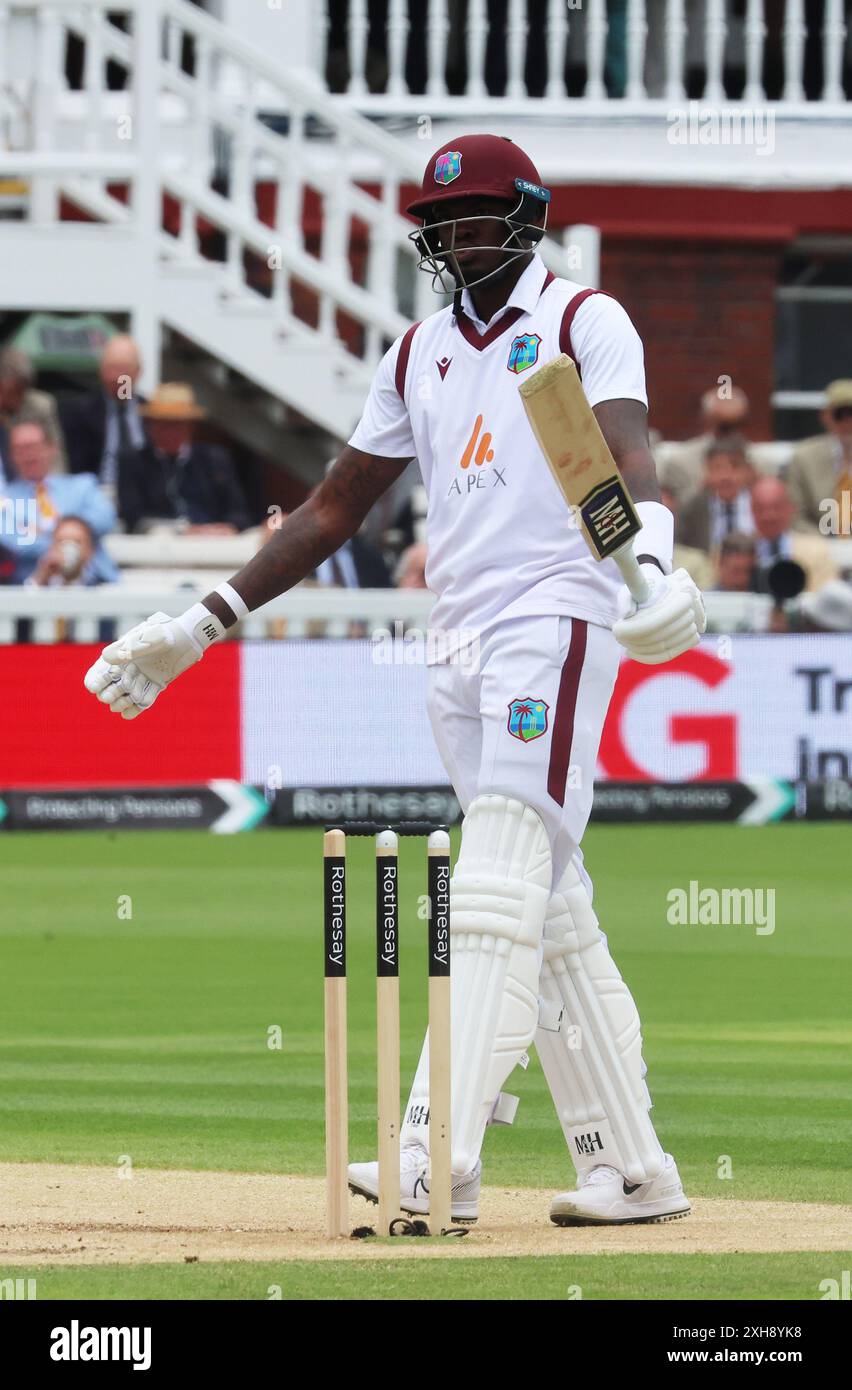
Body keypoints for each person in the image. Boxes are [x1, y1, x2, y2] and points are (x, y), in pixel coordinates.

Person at [84, 134, 704, 1228]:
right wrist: (202, 621)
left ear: (529, 217)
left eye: (483, 218)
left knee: (500, 884)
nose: (464, 238)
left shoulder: (581, 321)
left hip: (555, 621)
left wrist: (650, 565)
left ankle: (437, 1149)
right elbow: (334, 507)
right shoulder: (417, 352)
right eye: (446, 221)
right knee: (547, 908)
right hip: (456, 645)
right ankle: (636, 1169)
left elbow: (625, 457)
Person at [118, 383, 249, 534]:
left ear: (189, 427)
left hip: (213, 544)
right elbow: (133, 517)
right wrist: (182, 530)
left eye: (177, 424)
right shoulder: (134, 462)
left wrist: (227, 527)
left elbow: (239, 513)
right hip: (158, 547)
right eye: (163, 424)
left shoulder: (214, 459)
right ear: (151, 426)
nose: (170, 432)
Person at [1, 418, 118, 584]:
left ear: (52, 448)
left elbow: (105, 519)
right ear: (11, 456)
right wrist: (73, 541)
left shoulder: (82, 486)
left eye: (33, 446)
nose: (28, 454)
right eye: (20, 449)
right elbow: (13, 541)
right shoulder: (5, 498)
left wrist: (53, 531)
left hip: (93, 583)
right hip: (33, 591)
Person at [61, 333, 148, 486]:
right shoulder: (80, 413)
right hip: (98, 492)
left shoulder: (151, 412)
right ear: (101, 371)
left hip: (144, 495)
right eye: (112, 369)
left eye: (124, 369)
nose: (117, 377)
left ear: (138, 372)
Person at [659, 384, 750, 508]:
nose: (731, 434)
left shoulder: (759, 462)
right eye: (724, 427)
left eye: (736, 424)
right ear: (707, 420)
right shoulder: (680, 462)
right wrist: (704, 488)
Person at [786, 379, 852, 535]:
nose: (848, 422)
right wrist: (824, 545)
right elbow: (795, 514)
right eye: (840, 414)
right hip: (820, 547)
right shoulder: (804, 458)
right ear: (825, 416)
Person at [750, 476, 838, 593]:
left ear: (790, 508)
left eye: (776, 507)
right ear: (751, 510)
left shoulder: (817, 551)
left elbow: (825, 599)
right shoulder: (736, 552)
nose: (769, 516)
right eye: (761, 508)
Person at [677, 437, 756, 554]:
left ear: (747, 470)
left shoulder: (761, 503)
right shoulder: (692, 509)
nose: (726, 476)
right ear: (707, 471)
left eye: (735, 467)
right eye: (718, 468)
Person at [0, 346, 67, 481]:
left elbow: (56, 459)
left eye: (21, 391)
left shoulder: (41, 406)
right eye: (12, 391)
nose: (16, 399)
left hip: (31, 488)